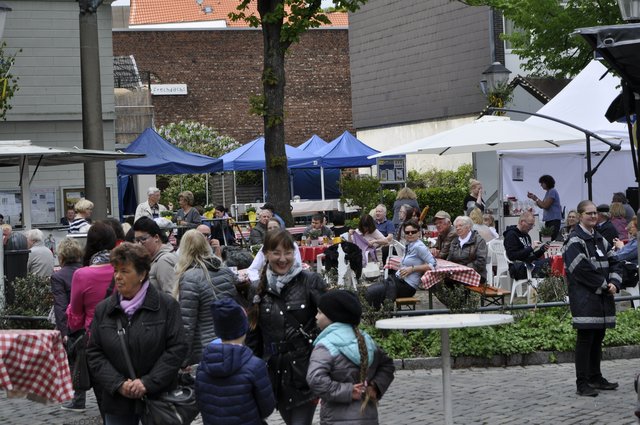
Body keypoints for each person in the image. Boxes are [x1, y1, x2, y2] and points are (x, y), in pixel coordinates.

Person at [87, 242, 187, 423]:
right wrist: (118, 384)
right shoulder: (104, 309)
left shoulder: (166, 306)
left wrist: (147, 383)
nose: (118, 276)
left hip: (159, 400)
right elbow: (94, 352)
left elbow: (177, 348)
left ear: (142, 274)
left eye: (125, 271)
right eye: (115, 270)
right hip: (118, 402)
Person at [247, 229, 327, 425]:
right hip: (274, 374)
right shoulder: (257, 289)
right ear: (266, 254)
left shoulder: (310, 281)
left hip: (304, 371)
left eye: (288, 253)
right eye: (276, 253)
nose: (283, 259)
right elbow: (254, 336)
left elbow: (329, 323)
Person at [307, 290, 395, 425]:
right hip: (368, 416)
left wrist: (348, 391)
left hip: (335, 418)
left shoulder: (326, 345)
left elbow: (315, 379)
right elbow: (387, 365)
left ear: (333, 316)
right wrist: (375, 387)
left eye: (319, 312)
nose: (316, 316)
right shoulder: (366, 340)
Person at [562, 200, 622, 397]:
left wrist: (615, 282)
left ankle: (595, 377)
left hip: (601, 298)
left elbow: (615, 261)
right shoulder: (575, 240)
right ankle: (582, 383)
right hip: (585, 298)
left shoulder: (599, 238)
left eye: (595, 213)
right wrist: (605, 285)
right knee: (586, 338)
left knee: (598, 337)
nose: (594, 216)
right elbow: (580, 269)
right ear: (580, 216)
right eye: (589, 213)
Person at [196, 298, 276, 425]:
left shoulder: (202, 368)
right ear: (243, 328)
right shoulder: (255, 366)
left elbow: (201, 404)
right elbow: (267, 408)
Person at [66, 221, 117, 416]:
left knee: (104, 400)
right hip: (125, 337)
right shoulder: (124, 269)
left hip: (95, 341)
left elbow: (75, 319)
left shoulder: (82, 274)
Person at [174, 229, 238, 367]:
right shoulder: (225, 271)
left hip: (205, 350)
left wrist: (182, 360)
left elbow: (187, 324)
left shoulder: (189, 278)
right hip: (230, 342)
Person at [365, 219, 436, 309]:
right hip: (399, 281)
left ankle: (383, 314)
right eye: (407, 232)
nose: (410, 234)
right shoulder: (410, 244)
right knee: (371, 291)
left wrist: (412, 269)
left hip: (408, 286)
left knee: (372, 292)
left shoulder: (419, 247)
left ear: (419, 233)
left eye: (413, 232)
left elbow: (433, 264)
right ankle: (381, 313)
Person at [50, 237, 85, 412]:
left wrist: (64, 331)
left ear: (61, 255)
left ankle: (78, 400)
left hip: (73, 325)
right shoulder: (85, 271)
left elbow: (61, 306)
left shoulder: (58, 276)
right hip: (90, 321)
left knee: (75, 363)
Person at [133, 216, 178, 294]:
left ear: (156, 237)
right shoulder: (153, 258)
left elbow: (172, 296)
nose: (139, 244)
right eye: (137, 240)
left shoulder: (164, 261)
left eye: (143, 239)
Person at [503, 211, 550, 279]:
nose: (532, 227)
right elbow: (512, 256)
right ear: (522, 222)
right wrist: (531, 248)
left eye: (533, 225)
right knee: (551, 263)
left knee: (553, 260)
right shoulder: (511, 235)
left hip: (528, 265)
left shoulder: (526, 235)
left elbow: (530, 256)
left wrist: (541, 250)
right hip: (518, 268)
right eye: (530, 224)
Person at [447, 216, 488, 283]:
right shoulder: (454, 241)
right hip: (457, 273)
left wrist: (464, 269)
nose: (458, 228)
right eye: (456, 227)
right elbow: (450, 259)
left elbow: (481, 261)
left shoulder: (479, 241)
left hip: (475, 274)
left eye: (460, 225)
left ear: (468, 227)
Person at [527, 174, 562, 241]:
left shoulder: (552, 191)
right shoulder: (548, 192)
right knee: (548, 239)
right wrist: (534, 197)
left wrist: (536, 198)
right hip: (549, 220)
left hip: (553, 220)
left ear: (547, 183)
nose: (541, 185)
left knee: (550, 239)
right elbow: (541, 206)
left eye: (542, 183)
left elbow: (545, 206)